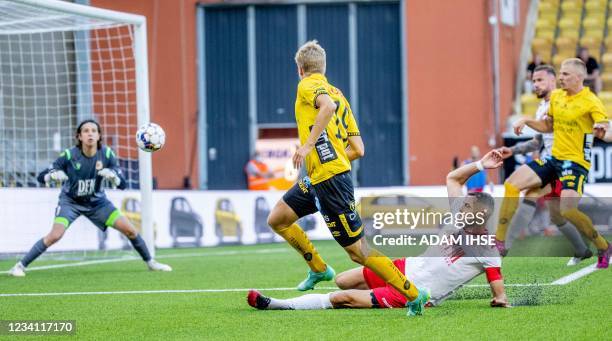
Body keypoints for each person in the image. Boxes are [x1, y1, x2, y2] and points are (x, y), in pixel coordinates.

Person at [265, 40, 429, 316]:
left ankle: (413, 293)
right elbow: (358, 149)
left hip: (331, 182)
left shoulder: (308, 86)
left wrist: (307, 147)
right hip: (319, 178)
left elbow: (325, 107)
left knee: (358, 252)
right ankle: (318, 268)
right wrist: (331, 159)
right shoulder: (339, 94)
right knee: (278, 219)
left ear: (299, 68)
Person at [247, 150, 509, 310]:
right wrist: (481, 165)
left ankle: (278, 305)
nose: (460, 207)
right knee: (343, 280)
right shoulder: (458, 218)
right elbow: (453, 178)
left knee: (341, 298)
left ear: (481, 214)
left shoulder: (487, 249)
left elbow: (499, 294)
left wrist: (499, 299)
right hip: (405, 268)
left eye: (467, 206)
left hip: (418, 292)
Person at [8, 119, 171, 277]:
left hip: (98, 203)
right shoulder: (69, 155)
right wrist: (51, 176)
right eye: (85, 131)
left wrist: (114, 177)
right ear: (79, 136)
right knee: (55, 236)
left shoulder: (107, 154)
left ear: (99, 136)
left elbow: (123, 184)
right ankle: (20, 266)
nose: (90, 134)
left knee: (130, 230)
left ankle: (151, 262)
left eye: (94, 131)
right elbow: (40, 177)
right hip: (70, 203)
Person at [500, 58, 611, 269]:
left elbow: (605, 129)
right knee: (553, 213)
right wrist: (522, 129)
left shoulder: (589, 101)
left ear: (578, 77)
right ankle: (581, 250)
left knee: (559, 207)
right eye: (560, 73)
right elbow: (544, 131)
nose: (561, 77)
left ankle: (602, 245)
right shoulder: (554, 100)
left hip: (574, 162)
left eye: (565, 74)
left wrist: (603, 132)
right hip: (553, 159)